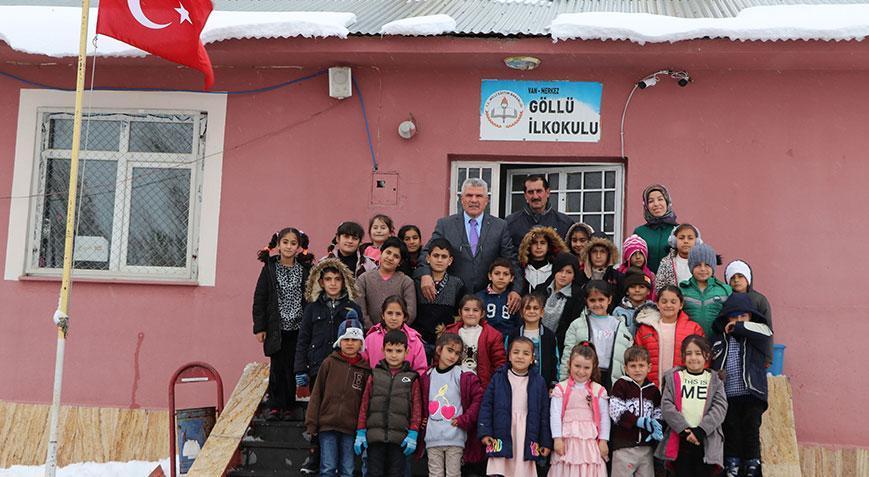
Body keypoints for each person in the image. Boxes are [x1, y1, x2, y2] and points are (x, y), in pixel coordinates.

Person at [294, 259, 362, 475]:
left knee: (341, 413)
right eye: (328, 279)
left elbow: (359, 337)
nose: (333, 283)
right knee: (320, 413)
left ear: (344, 282)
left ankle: (343, 461)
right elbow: (303, 340)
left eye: (337, 279)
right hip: (318, 368)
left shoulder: (352, 308)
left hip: (345, 369)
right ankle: (316, 456)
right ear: (321, 282)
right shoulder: (312, 308)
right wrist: (300, 369)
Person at [418, 178, 523, 312]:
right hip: (453, 299)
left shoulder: (500, 226)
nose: (474, 200)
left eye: (479, 196)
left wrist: (516, 290)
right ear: (462, 199)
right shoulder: (445, 225)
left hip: (488, 300)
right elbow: (426, 253)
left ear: (486, 200)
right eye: (469, 195)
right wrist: (425, 275)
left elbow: (511, 261)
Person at [252, 227, 311, 421]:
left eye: (293, 243)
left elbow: (310, 296)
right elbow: (260, 299)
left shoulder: (305, 269)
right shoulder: (269, 268)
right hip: (276, 328)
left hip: (298, 327)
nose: (289, 247)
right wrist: (260, 327)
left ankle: (289, 406)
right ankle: (275, 406)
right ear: (278, 244)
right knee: (277, 366)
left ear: (299, 247)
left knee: (293, 366)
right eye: (285, 242)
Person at [711, 294, 773, 477]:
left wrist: (738, 326)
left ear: (750, 317)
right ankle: (732, 464)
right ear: (726, 318)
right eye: (734, 316)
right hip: (728, 395)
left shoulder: (757, 336)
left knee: (751, 429)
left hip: (752, 393)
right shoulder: (720, 339)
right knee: (731, 429)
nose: (738, 319)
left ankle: (752, 465)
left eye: (743, 316)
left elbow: (767, 331)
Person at [478, 337, 553, 477]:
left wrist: (545, 442)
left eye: (526, 353)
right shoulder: (498, 377)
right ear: (509, 356)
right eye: (516, 352)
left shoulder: (539, 382)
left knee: (521, 470)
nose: (520, 356)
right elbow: (487, 406)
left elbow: (544, 414)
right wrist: (485, 432)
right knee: (500, 468)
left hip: (526, 432)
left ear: (532, 359)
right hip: (501, 430)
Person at [305, 319, 371, 477]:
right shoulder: (329, 363)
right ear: (339, 342)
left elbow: (365, 402)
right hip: (327, 426)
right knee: (328, 467)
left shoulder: (364, 370)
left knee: (347, 469)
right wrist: (312, 423)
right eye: (346, 339)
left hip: (350, 428)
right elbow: (317, 394)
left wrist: (363, 428)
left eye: (354, 339)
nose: (350, 343)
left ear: (361, 343)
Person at [655, 335, 728, 477]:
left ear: (707, 355)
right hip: (681, 439)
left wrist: (700, 431)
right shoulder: (674, 378)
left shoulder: (715, 380)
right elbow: (666, 405)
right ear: (683, 356)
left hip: (705, 440)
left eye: (698, 353)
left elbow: (720, 407)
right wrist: (684, 430)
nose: (693, 357)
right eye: (689, 353)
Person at [355, 330, 423, 477]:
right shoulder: (375, 374)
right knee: (374, 473)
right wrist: (361, 431)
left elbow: (417, 408)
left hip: (399, 439)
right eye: (389, 350)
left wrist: (413, 433)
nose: (393, 355)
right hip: (375, 438)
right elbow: (364, 404)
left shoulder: (412, 378)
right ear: (383, 350)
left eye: (398, 351)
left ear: (407, 351)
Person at [417, 333, 484, 477]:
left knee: (453, 474)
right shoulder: (427, 376)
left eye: (457, 353)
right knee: (435, 474)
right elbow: (419, 401)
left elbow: (478, 399)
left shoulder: (463, 375)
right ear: (439, 350)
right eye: (450, 350)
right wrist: (421, 419)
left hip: (455, 438)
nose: (453, 356)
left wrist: (465, 419)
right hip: (432, 438)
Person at [549, 342, 610, 477]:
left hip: (590, 444)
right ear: (569, 364)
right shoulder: (561, 388)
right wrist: (557, 439)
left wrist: (603, 440)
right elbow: (555, 415)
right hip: (567, 443)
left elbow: (604, 417)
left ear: (593, 368)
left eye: (586, 367)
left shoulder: (598, 390)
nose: (581, 371)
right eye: (577, 366)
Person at [560, 280, 633, 391]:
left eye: (601, 300)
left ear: (609, 300)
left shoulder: (619, 326)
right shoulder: (577, 325)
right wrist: (563, 382)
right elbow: (567, 355)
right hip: (584, 375)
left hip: (611, 378)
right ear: (586, 301)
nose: (597, 304)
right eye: (592, 300)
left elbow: (627, 357)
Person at [634, 285, 705, 387]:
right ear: (657, 304)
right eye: (664, 302)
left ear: (681, 305)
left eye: (673, 302)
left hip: (683, 387)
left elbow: (703, 359)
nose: (668, 305)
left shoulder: (693, 329)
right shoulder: (645, 329)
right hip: (650, 387)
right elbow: (636, 357)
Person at [609, 346, 663, 477]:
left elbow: (659, 411)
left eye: (641, 365)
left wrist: (657, 426)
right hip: (624, 446)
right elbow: (615, 409)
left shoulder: (653, 390)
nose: (637, 370)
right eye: (633, 366)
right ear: (626, 368)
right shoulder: (621, 385)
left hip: (646, 448)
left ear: (649, 367)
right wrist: (639, 421)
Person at [412, 238, 466, 359]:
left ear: (450, 260)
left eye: (444, 256)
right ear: (428, 258)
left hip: (445, 342)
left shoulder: (457, 284)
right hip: (420, 341)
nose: (439, 260)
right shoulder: (417, 282)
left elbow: (459, 315)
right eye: (436, 256)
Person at [444, 295, 506, 392]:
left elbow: (499, 364)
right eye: (466, 310)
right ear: (460, 312)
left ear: (482, 314)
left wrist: (493, 387)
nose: (471, 313)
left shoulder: (493, 335)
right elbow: (441, 359)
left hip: (482, 387)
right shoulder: (450, 332)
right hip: (454, 385)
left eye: (475, 310)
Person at [355, 237, 416, 329]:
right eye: (388, 252)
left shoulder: (406, 282)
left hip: (398, 334)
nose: (390, 258)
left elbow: (411, 313)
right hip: (369, 333)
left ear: (400, 262)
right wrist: (374, 331)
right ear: (381, 253)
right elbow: (360, 309)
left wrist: (395, 329)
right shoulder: (364, 279)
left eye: (396, 256)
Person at [724, 259, 774, 365]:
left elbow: (768, 329)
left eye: (740, 276)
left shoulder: (759, 300)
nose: (736, 280)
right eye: (732, 278)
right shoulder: (726, 299)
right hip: (732, 352)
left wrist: (768, 358)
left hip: (754, 349)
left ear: (748, 278)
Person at [506, 174, 576, 249]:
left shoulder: (565, 223)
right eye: (530, 192)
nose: (535, 196)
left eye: (539, 191)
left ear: (547, 192)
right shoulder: (510, 224)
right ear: (525, 195)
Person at [362, 296, 428, 375]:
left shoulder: (414, 340)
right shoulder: (370, 339)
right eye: (389, 313)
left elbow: (421, 371)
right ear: (383, 315)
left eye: (398, 314)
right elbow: (362, 367)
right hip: (376, 382)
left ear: (404, 317)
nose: (393, 318)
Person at [533, 252, 586, 348]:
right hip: (535, 341)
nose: (563, 275)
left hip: (561, 346)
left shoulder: (578, 296)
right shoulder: (540, 290)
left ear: (574, 275)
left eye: (569, 272)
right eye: (560, 270)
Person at [506, 294, 559, 388]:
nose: (531, 311)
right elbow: (506, 359)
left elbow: (555, 362)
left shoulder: (549, 336)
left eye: (535, 308)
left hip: (543, 386)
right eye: (528, 308)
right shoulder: (513, 335)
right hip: (517, 385)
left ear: (542, 312)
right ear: (521, 313)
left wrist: (553, 384)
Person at [680, 243, 732, 335]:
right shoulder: (682, 290)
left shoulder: (725, 290)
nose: (703, 269)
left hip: (717, 341)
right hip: (691, 341)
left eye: (707, 265)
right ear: (691, 266)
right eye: (698, 265)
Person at [632, 184, 678, 272]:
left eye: (660, 199)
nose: (656, 204)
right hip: (645, 279)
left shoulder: (678, 231)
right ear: (646, 206)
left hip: (674, 280)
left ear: (667, 202)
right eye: (651, 201)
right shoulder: (640, 232)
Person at [578, 233, 625, 309]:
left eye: (602, 252)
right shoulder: (579, 276)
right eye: (594, 251)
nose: (598, 256)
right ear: (588, 254)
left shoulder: (618, 277)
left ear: (609, 254)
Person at [477, 258, 521, 337]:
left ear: (511, 278)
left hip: (508, 339)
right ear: (490, 276)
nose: (501, 277)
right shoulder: (479, 297)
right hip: (485, 338)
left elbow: (518, 323)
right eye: (497, 273)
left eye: (506, 274)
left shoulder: (514, 299)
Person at [518, 226, 568, 294]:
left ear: (548, 246)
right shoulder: (521, 269)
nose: (539, 247)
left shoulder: (555, 270)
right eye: (535, 243)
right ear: (529, 246)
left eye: (542, 243)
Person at [655, 223, 703, 295]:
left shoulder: (702, 263)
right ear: (674, 240)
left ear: (696, 241)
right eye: (681, 238)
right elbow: (659, 287)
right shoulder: (666, 263)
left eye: (690, 238)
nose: (686, 241)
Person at [613, 267, 654, 335]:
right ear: (627, 291)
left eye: (641, 287)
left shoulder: (653, 310)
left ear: (648, 291)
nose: (637, 290)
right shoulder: (618, 311)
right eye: (632, 287)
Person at [617, 234, 657, 301]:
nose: (638, 257)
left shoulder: (650, 275)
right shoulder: (619, 274)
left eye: (641, 253)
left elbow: (653, 295)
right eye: (633, 254)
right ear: (627, 256)